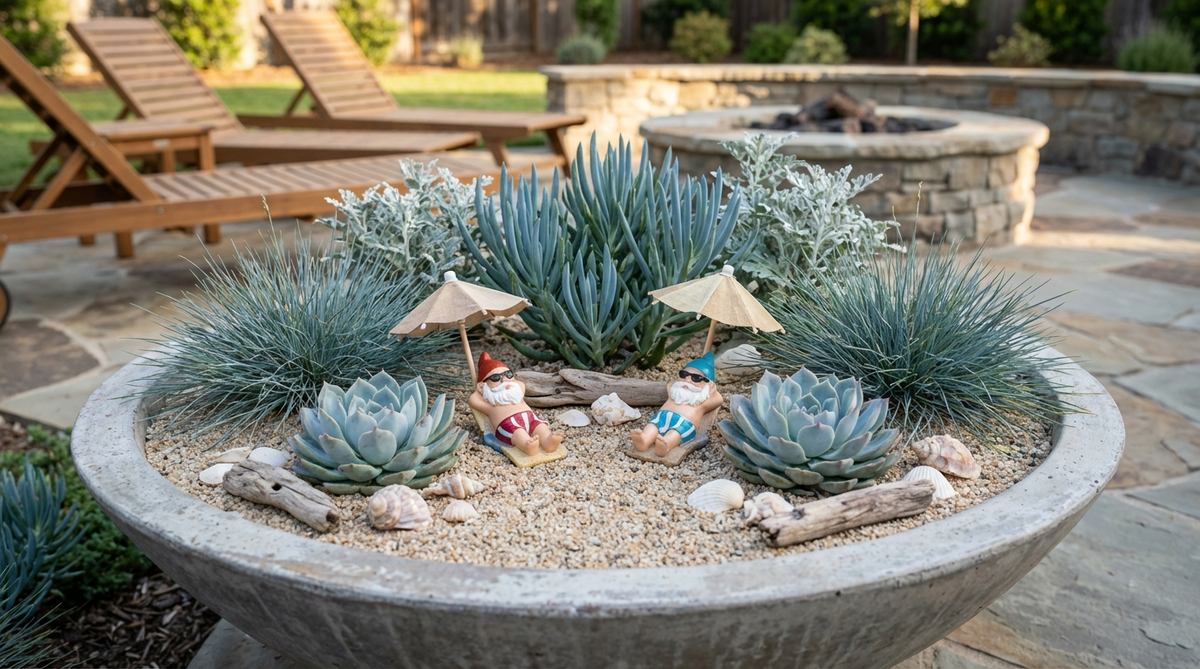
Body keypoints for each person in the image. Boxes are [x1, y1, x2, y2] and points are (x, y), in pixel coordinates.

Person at [467, 352, 563, 456]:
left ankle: (548, 441)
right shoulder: (490, 404)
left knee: (540, 426)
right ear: (483, 386)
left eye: (508, 374)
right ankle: (528, 446)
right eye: (495, 378)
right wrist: (481, 390)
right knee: (517, 433)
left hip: (530, 418)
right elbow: (473, 399)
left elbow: (520, 385)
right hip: (507, 424)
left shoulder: (516, 392)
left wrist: (511, 383)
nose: (504, 380)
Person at [631, 352, 723, 458]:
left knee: (675, 433)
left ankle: (666, 445)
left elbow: (719, 399)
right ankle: (644, 440)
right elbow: (670, 384)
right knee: (652, 426)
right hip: (661, 417)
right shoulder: (675, 392)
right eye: (684, 375)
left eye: (696, 378)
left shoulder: (702, 400)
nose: (687, 380)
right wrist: (681, 384)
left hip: (684, 423)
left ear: (708, 384)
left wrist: (710, 390)